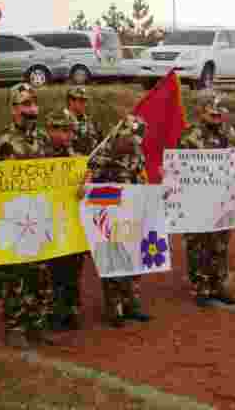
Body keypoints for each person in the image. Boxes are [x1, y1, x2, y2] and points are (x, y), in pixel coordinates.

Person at [0, 83, 54, 349]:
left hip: (40, 217)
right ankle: (15, 327)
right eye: (25, 104)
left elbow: (56, 174)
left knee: (40, 274)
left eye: (34, 104)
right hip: (13, 219)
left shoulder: (43, 140)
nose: (31, 110)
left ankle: (36, 325)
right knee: (15, 276)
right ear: (13, 108)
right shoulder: (1, 143)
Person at [83, 115, 154, 326]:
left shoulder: (137, 153)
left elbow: (140, 177)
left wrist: (152, 194)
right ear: (121, 134)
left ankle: (132, 303)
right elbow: (90, 185)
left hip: (132, 212)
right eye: (131, 138)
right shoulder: (102, 154)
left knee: (133, 260)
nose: (134, 143)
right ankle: (114, 309)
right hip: (110, 214)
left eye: (137, 140)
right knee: (112, 261)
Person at [178, 90, 235, 307]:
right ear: (201, 112)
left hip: (222, 198)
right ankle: (201, 287)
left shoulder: (229, 133)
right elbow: (180, 167)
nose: (216, 117)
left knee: (220, 243)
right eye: (212, 113)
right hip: (197, 199)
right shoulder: (190, 135)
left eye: (219, 113)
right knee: (198, 243)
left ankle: (218, 284)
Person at [46, 86, 99, 332]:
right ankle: (52, 312)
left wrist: (86, 180)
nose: (67, 136)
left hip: (72, 220)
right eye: (62, 130)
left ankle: (71, 309)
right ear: (50, 130)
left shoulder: (76, 157)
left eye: (70, 131)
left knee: (73, 266)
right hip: (48, 222)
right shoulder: (40, 156)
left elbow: (89, 173)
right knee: (53, 269)